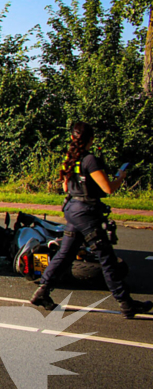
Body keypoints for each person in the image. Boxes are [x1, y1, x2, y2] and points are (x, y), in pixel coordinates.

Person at [30, 121, 152, 319]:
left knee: (65, 254)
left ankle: (42, 291)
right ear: (92, 139)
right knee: (107, 258)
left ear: (72, 137)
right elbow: (108, 188)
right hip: (86, 213)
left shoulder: (70, 159)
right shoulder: (90, 160)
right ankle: (126, 303)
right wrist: (121, 177)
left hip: (72, 209)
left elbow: (65, 188)